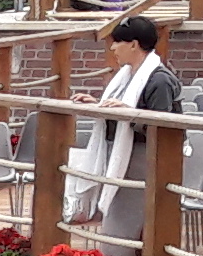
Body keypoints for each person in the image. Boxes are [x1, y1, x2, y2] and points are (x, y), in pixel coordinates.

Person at [67, 14, 185, 231]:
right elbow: (124, 110)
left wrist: (131, 114)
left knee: (124, 229)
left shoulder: (160, 80)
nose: (113, 47)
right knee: (119, 226)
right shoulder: (127, 76)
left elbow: (164, 129)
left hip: (144, 161)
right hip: (123, 157)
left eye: (118, 41)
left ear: (133, 45)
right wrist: (98, 106)